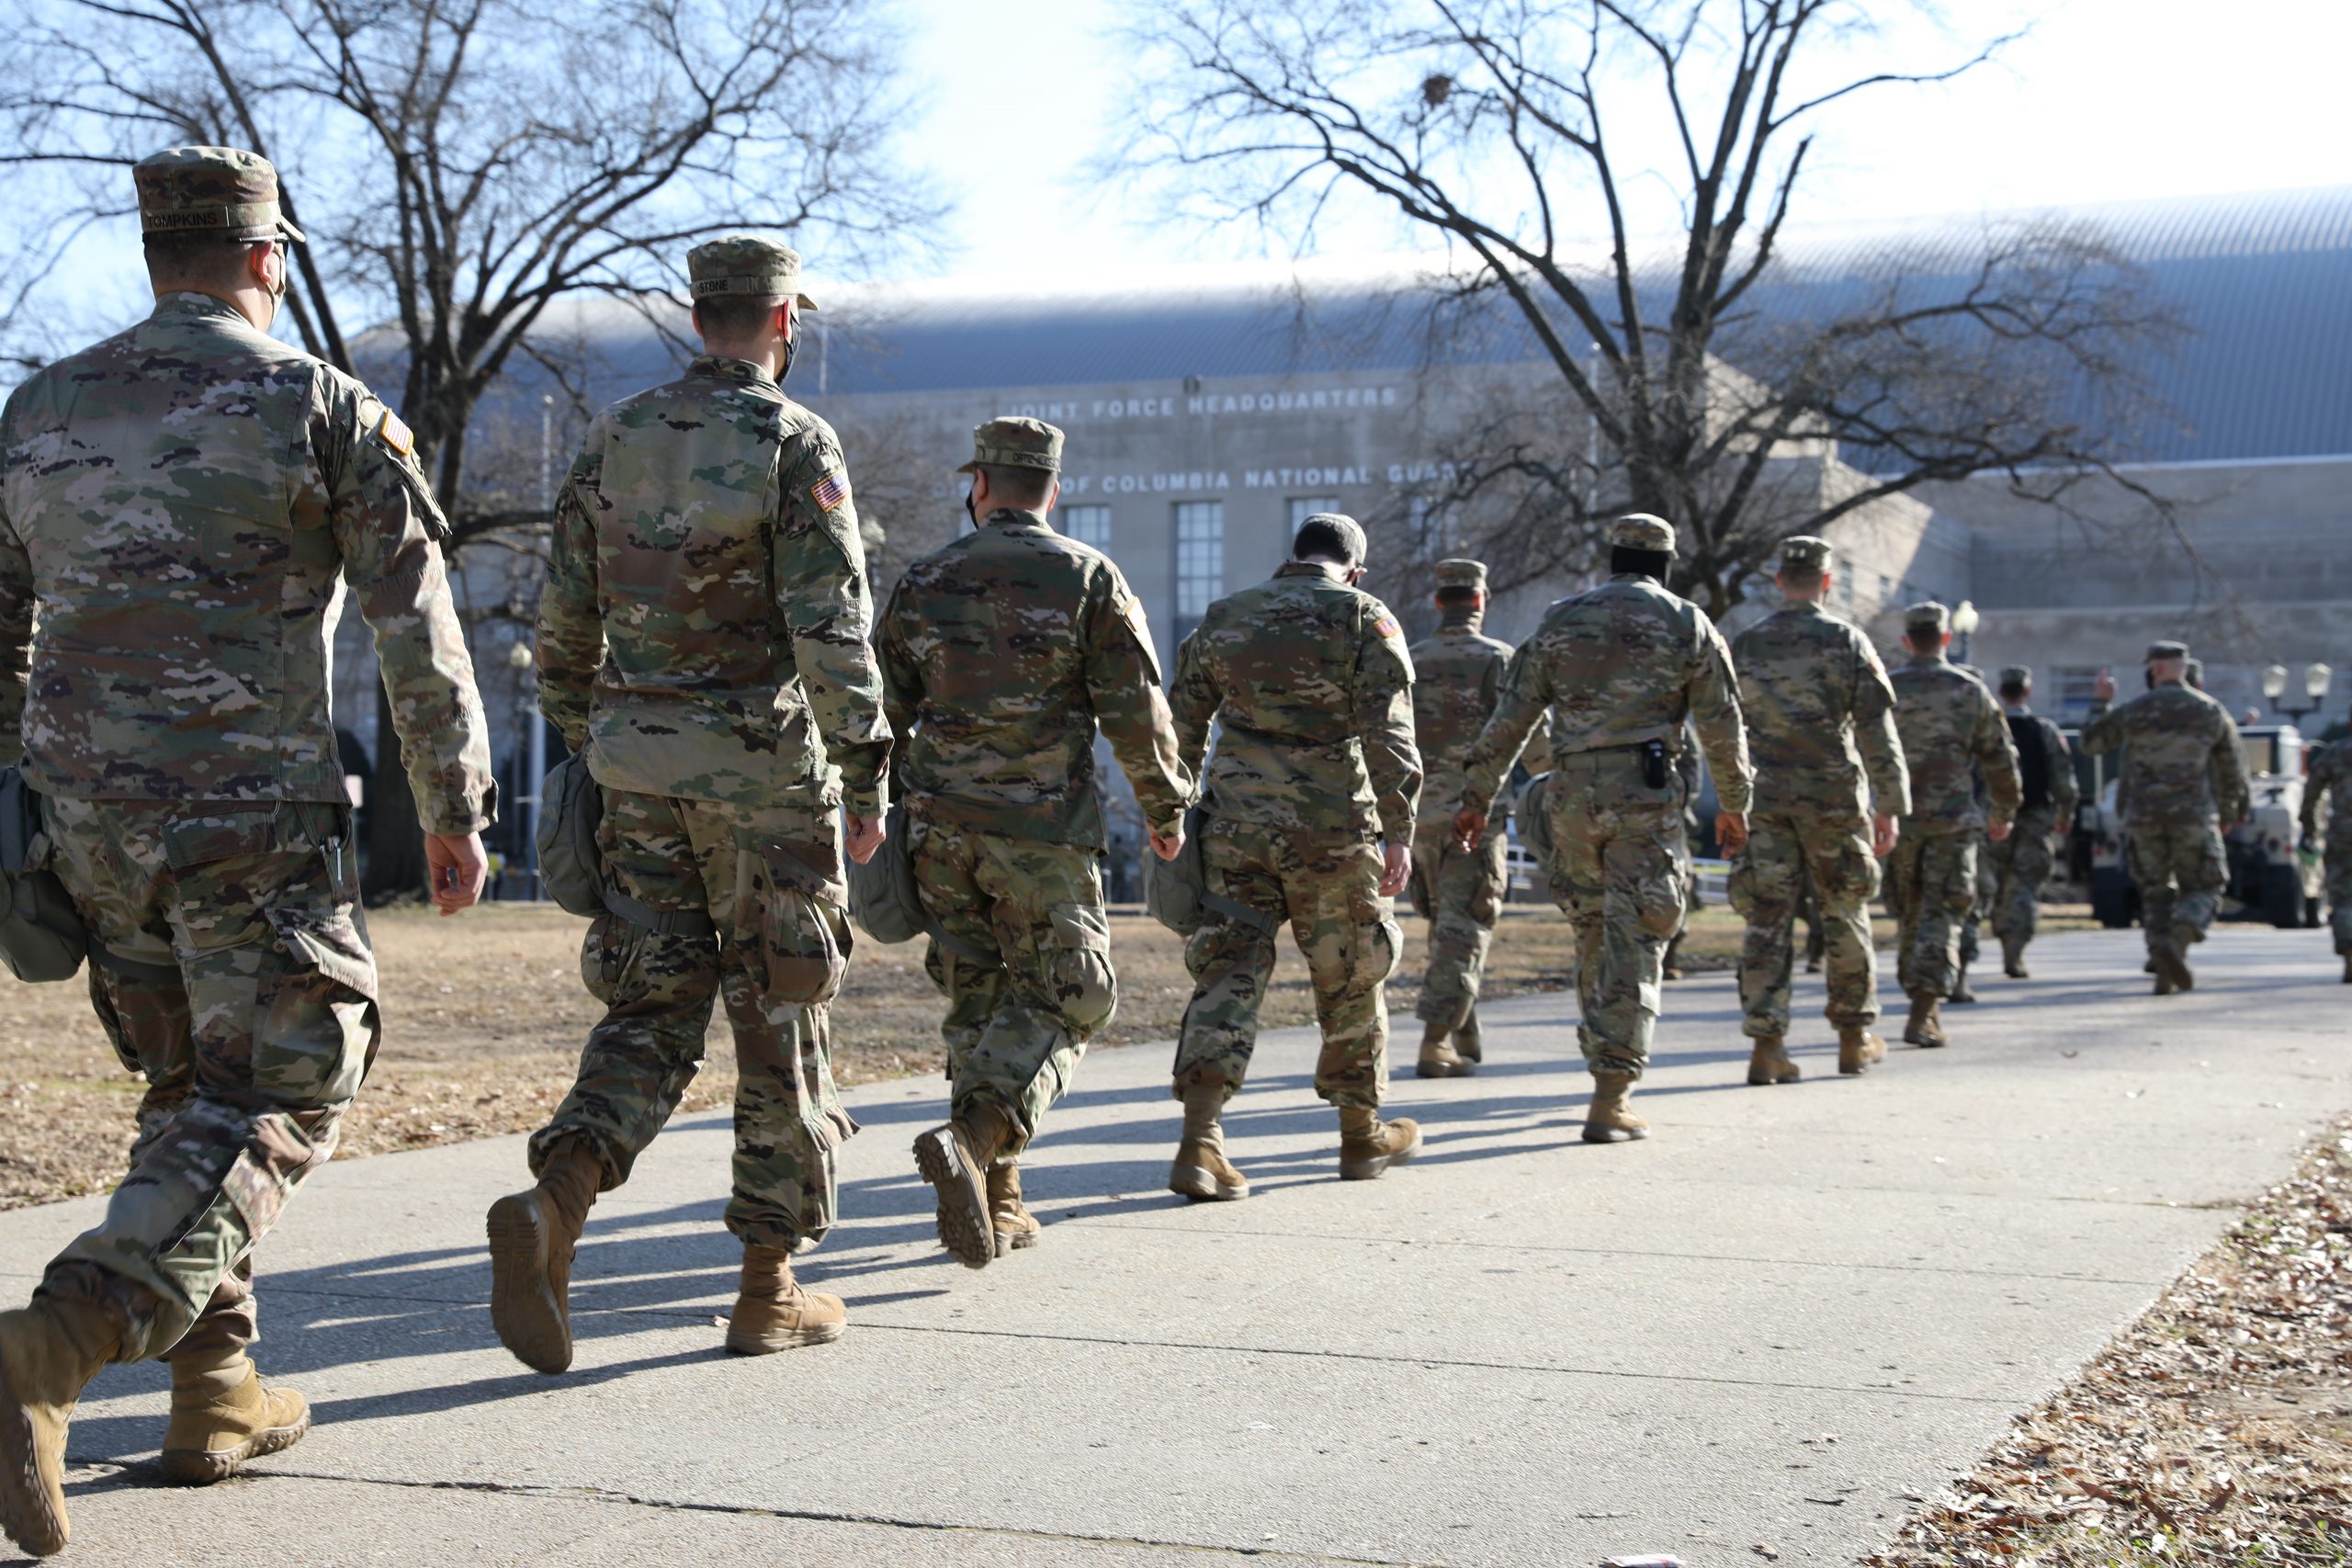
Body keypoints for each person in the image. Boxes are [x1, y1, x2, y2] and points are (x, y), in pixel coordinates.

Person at [0, 146, 495, 1556]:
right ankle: (51, 1346)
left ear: (154, 253)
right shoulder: (318, 403)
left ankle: (215, 1388)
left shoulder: (35, 411)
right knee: (287, 1077)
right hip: (250, 814)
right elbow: (416, 622)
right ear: (269, 257)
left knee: (186, 1091)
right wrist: (455, 807)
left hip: (87, 824)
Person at [488, 235, 891, 1373]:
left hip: (638, 774)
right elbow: (830, 632)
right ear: (782, 324)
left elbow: (561, 628)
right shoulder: (793, 441)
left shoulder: (614, 439)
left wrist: (593, 744)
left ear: (697, 315)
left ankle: (558, 1200)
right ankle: (769, 1286)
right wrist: (866, 774)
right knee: (780, 1022)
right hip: (764, 782)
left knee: (650, 1011)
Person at [879, 417, 1191, 1268]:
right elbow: (1137, 711)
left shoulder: (923, 578)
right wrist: (1165, 809)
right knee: (1073, 996)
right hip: (1043, 832)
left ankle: (998, 1199)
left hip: (941, 833)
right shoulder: (1088, 577)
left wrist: (865, 809)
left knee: (978, 1004)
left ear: (979, 484)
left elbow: (879, 712)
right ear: (1052, 490)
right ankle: (977, 1141)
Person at [1453, 514, 1751, 1143]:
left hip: (1571, 799)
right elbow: (1723, 726)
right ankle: (1612, 1091)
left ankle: (1602, 1055)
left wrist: (1477, 793)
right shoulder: (1685, 621)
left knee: (1593, 929)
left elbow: (1512, 714)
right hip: (1643, 801)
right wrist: (1734, 802)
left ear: (1612, 557)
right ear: (1665, 564)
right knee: (1637, 936)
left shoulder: (1563, 618)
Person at [1165, 513, 1423, 1196]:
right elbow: (1388, 732)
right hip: (1332, 829)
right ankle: (1359, 1134)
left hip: (1235, 827)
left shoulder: (1229, 615)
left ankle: (1200, 1141)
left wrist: (1169, 817)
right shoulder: (1365, 616)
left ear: (1295, 558)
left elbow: (1180, 724)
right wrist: (1400, 829)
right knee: (1351, 975)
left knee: (1227, 972)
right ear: (1353, 569)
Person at [1726, 536, 1909, 1082]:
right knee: (1845, 913)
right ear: (1827, 583)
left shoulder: (1747, 645)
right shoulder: (1847, 641)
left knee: (1766, 919)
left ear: (1781, 580)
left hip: (1765, 801)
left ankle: (1767, 1046)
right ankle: (1854, 1039)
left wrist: (1730, 799)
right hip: (1832, 799)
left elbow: (1723, 727)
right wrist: (1890, 805)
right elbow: (1877, 729)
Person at [1404, 558, 1523, 1077]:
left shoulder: (1408, 660)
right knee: (1464, 927)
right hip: (1474, 817)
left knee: (1445, 926)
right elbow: (1528, 738)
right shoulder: (1499, 660)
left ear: (1438, 601)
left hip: (1418, 820)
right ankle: (1435, 1041)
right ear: (1480, 600)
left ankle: (1462, 1029)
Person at [2080, 642, 2249, 994]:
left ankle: (2162, 966)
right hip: (2193, 816)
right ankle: (2180, 937)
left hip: (2143, 817)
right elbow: (2233, 769)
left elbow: (2092, 744)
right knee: (2205, 885)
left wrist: (2100, 701)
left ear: (2154, 669)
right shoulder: (2210, 711)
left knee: (2155, 891)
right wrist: (2231, 812)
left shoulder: (2136, 711)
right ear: (2183, 669)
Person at [1886, 604, 2019, 1049]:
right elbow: (2000, 757)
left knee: (1909, 913)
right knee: (1943, 913)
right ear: (1945, 639)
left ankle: (1921, 999)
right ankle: (1924, 1009)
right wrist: (2004, 811)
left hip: (1898, 820)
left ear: (1908, 641)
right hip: (1953, 823)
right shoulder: (1970, 690)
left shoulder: (1886, 688)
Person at [1985, 667, 2081, 979]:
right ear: (2027, 692)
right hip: (2035, 818)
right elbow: (2064, 780)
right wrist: (2065, 816)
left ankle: (2002, 936)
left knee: (1997, 886)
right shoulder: (2045, 730)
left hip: (1995, 819)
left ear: (2002, 693)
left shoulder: (1989, 728)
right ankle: (2015, 948)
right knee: (2024, 886)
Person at [2301, 715, 2352, 983]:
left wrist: (2309, 825)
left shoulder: (2335, 753)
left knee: (2342, 895)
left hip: (2342, 832)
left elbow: (2312, 789)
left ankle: (2348, 947)